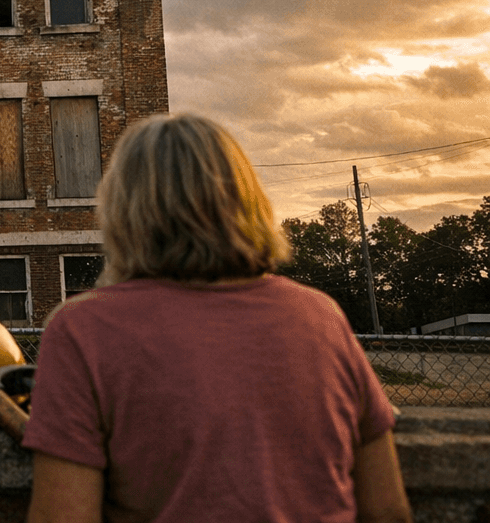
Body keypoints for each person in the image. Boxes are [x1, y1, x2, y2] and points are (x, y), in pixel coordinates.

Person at [23, 113, 411, 523]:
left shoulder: (82, 330)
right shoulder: (320, 317)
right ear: (247, 201)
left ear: (123, 209)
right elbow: (388, 510)